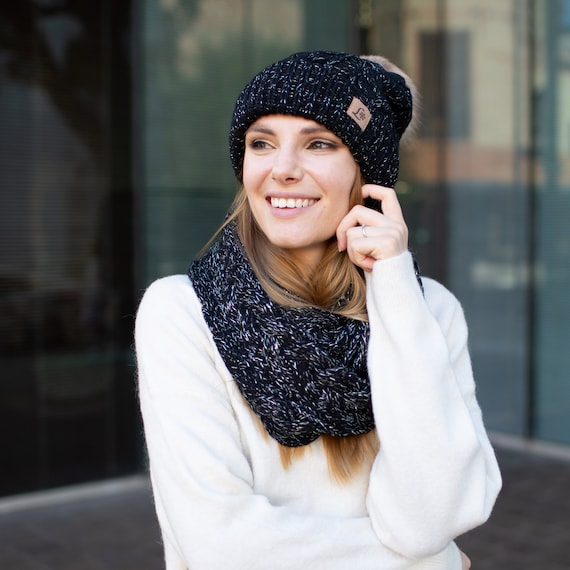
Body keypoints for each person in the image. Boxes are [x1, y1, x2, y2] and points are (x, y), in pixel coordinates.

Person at [136, 51, 501, 570]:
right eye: (261, 143)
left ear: (367, 174)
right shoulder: (181, 312)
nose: (281, 169)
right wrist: (436, 564)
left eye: (319, 143)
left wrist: (394, 290)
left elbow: (434, 518)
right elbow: (221, 546)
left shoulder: (428, 310)